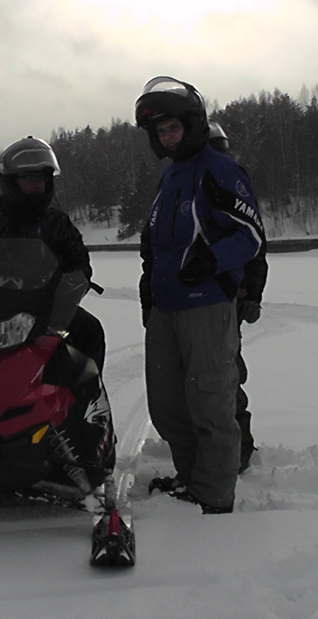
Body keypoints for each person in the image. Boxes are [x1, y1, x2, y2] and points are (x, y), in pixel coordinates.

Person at [135, 77, 264, 514]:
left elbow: (250, 236)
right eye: (160, 132)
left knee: (210, 405)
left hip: (206, 305)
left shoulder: (219, 170)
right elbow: (154, 243)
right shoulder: (170, 175)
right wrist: (149, 295)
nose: (167, 137)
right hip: (165, 307)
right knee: (168, 406)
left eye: (173, 128)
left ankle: (213, 497)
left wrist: (211, 261)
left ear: (192, 125)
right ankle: (192, 480)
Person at [0, 136, 105, 372]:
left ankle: (83, 391)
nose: (37, 185)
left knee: (89, 330)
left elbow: (79, 265)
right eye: (30, 178)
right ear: (11, 181)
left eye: (42, 178)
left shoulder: (57, 224)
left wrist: (65, 290)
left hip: (46, 313)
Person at [207, 121, 269, 473]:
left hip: (228, 298)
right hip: (196, 299)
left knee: (227, 375)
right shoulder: (188, 188)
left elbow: (256, 250)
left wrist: (252, 295)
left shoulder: (232, 190)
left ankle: (239, 448)